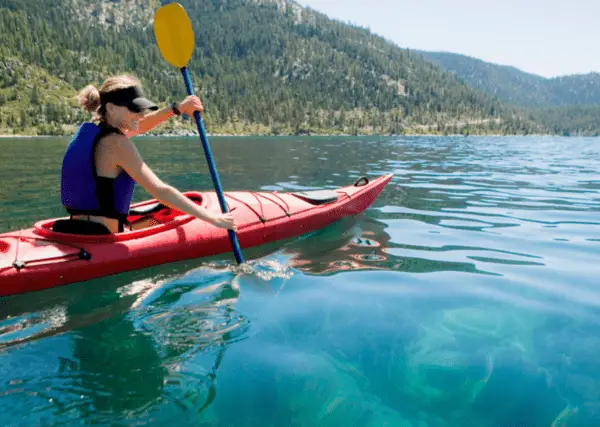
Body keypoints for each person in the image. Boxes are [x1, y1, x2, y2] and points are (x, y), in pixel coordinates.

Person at [57, 74, 236, 234]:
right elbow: (161, 191)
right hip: (105, 236)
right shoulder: (118, 143)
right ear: (112, 108)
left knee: (152, 219)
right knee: (163, 219)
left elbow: (140, 125)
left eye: (142, 108)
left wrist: (177, 108)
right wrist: (214, 219)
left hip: (78, 229)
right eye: (135, 109)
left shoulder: (92, 132)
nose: (141, 113)